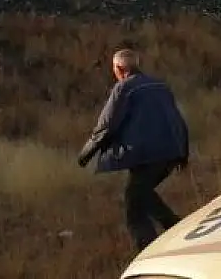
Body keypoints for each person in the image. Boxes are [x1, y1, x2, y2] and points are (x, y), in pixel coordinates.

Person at [77, 49, 189, 253]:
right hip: (172, 151)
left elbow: (106, 125)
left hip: (147, 155)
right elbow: (178, 119)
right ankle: (178, 230)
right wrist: (183, 152)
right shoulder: (160, 86)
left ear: (119, 68)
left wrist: (85, 154)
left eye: (113, 69)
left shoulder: (124, 88)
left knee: (134, 208)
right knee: (142, 194)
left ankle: (151, 254)